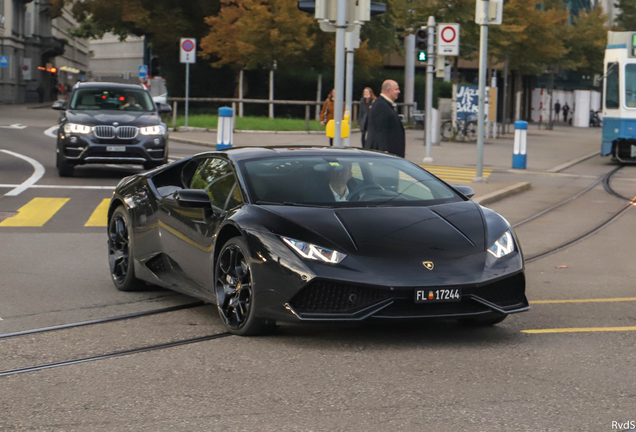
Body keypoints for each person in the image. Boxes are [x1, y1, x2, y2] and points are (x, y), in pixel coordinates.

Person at [365, 80, 405, 158]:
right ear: (388, 90)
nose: (399, 91)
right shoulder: (381, 105)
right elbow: (381, 130)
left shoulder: (386, 104)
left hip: (389, 154)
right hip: (384, 155)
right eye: (396, 89)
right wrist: (384, 152)